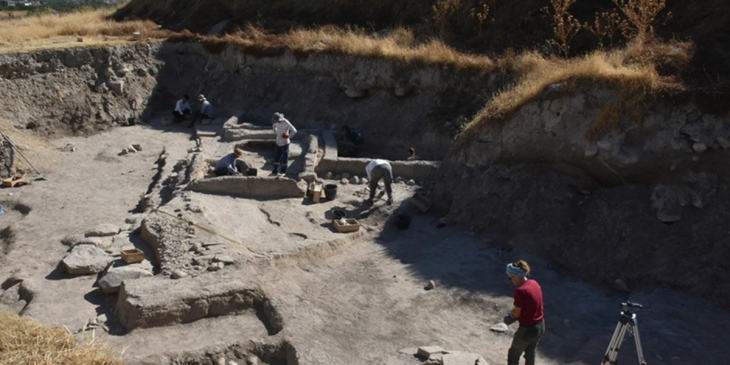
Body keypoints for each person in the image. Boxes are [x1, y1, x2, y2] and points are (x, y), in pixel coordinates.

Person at [505, 260, 545, 365]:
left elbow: (517, 313)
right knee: (530, 353)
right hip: (540, 325)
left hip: (527, 329)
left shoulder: (520, 291)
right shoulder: (534, 283)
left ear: (515, 276)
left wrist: (511, 314)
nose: (510, 280)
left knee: (513, 354)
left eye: (510, 277)